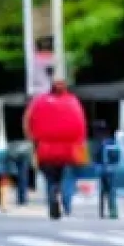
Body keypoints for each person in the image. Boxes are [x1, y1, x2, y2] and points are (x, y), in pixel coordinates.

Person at [23, 77, 87, 219]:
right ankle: (66, 204)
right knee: (67, 179)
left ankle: (53, 201)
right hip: (68, 151)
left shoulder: (39, 101)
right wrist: (80, 146)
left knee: (51, 180)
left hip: (46, 151)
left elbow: (28, 121)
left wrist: (33, 140)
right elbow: (81, 126)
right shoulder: (72, 101)